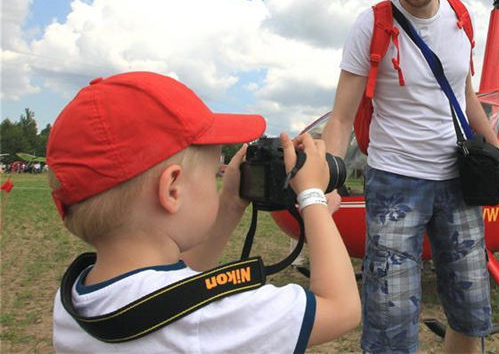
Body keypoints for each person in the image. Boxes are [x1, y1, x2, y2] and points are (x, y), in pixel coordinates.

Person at [47, 72, 360, 353]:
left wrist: (229, 204)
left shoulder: (75, 300)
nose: (220, 180)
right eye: (214, 173)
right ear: (172, 189)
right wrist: (313, 196)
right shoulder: (208, 317)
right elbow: (341, 308)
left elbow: (177, 283)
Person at [322, 0, 499, 354]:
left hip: (457, 181)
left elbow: (466, 97)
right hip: (394, 182)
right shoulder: (370, 25)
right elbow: (340, 117)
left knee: (471, 304)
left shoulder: (461, 17)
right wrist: (329, 181)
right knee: (390, 314)